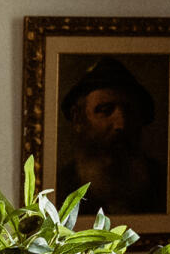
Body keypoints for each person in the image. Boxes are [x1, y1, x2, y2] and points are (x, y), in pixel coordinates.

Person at [53, 56, 163, 220]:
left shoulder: (162, 183)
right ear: (78, 119)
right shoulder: (60, 189)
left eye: (129, 111)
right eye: (105, 110)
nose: (121, 124)